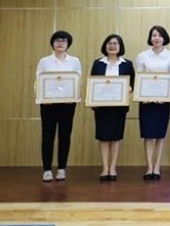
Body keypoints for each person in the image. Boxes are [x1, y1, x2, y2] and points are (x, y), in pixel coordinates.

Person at [36, 30, 82, 182]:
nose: (60, 43)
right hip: (48, 104)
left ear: (68, 44)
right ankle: (47, 169)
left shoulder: (74, 61)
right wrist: (42, 97)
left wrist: (75, 96)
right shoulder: (44, 61)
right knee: (47, 136)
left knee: (65, 135)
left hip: (68, 104)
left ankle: (62, 168)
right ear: (52, 44)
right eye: (57, 41)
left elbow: (78, 81)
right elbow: (38, 82)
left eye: (63, 41)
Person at [90, 34, 135, 182]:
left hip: (119, 108)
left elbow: (132, 85)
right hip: (102, 107)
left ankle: (113, 167)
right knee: (103, 138)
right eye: (109, 43)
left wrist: (128, 92)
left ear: (120, 47)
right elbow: (92, 84)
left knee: (116, 138)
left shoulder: (127, 64)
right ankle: (104, 168)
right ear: (105, 46)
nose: (112, 46)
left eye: (116, 43)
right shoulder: (98, 63)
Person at [135, 25, 170, 181]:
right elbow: (139, 77)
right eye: (154, 35)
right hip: (146, 101)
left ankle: (157, 167)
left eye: (159, 35)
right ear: (150, 38)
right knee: (148, 135)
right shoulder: (142, 56)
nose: (156, 38)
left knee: (160, 135)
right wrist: (142, 96)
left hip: (162, 101)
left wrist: (167, 96)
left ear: (164, 38)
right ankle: (149, 167)